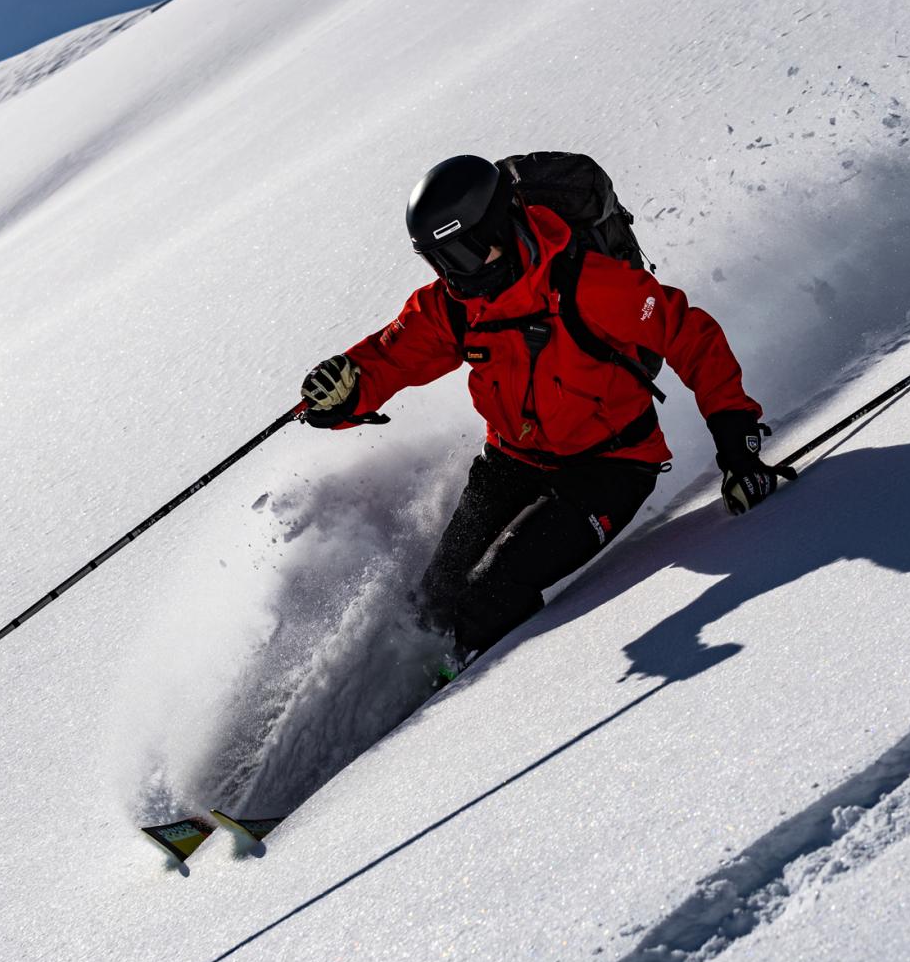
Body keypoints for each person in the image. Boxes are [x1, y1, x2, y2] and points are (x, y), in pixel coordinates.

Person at [298, 154, 790, 673]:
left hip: (609, 468)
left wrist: (737, 441)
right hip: (511, 460)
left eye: (461, 253)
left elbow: (689, 334)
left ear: (497, 229)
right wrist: (344, 393)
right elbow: (390, 358)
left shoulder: (587, 284)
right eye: (439, 261)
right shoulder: (453, 304)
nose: (453, 274)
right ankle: (420, 682)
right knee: (436, 597)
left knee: (493, 589)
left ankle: (468, 693)